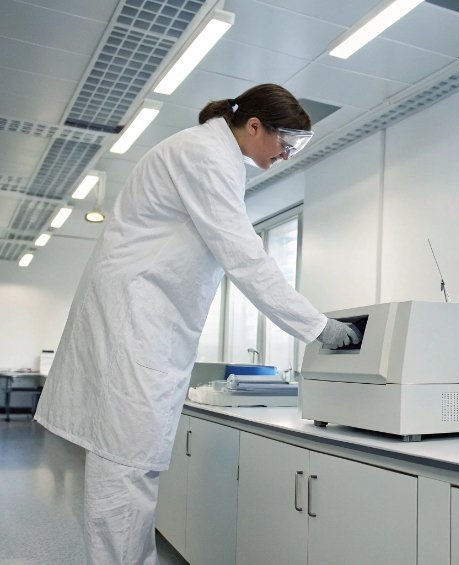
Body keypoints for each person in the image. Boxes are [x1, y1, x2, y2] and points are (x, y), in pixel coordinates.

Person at [34, 83, 360, 564]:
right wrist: (316, 326)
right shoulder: (205, 156)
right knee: (125, 470)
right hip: (134, 320)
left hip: (144, 320)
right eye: (285, 143)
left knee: (130, 470)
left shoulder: (212, 156)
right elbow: (244, 257)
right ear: (253, 127)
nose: (286, 155)